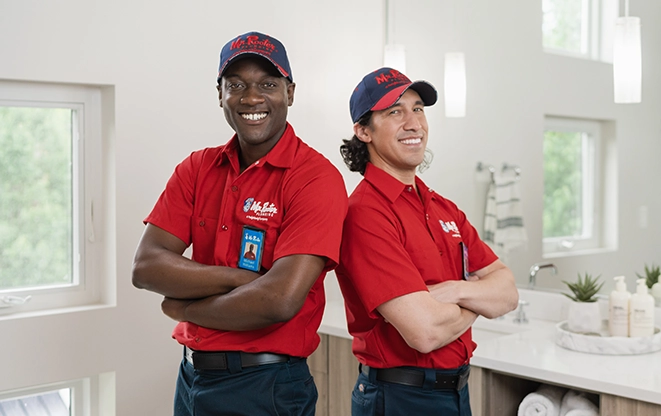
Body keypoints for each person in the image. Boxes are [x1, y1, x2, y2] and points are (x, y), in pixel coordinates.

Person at [132, 31, 348, 416]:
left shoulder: (315, 178)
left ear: (290, 92)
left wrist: (185, 309)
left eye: (268, 84)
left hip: (265, 387)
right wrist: (239, 279)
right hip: (191, 377)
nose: (251, 98)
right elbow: (146, 267)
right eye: (237, 85)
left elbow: (279, 300)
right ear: (220, 94)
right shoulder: (197, 168)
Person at [336, 67, 519, 416]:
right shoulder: (365, 213)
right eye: (395, 111)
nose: (414, 123)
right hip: (399, 399)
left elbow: (508, 294)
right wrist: (480, 297)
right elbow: (425, 332)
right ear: (363, 131)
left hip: (455, 393)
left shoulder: (443, 208)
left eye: (418, 109)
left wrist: (454, 291)